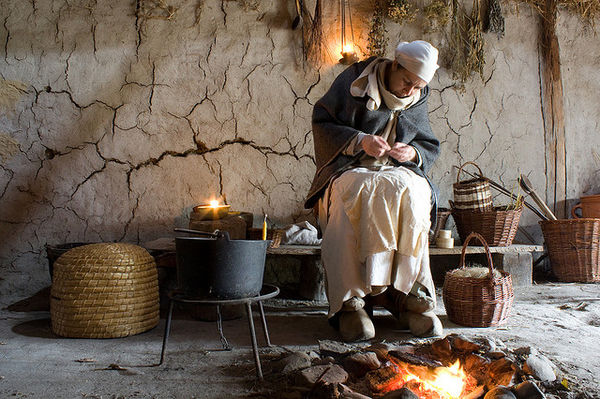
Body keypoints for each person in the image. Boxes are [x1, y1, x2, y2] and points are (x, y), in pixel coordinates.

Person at [304, 40, 443, 342]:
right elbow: (323, 122)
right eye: (407, 82)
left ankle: (411, 296)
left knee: (414, 191)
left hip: (398, 169)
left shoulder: (417, 95)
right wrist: (360, 141)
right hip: (349, 167)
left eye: (417, 87)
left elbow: (428, 143)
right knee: (356, 191)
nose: (409, 91)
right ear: (394, 65)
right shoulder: (356, 81)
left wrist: (413, 153)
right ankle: (351, 304)